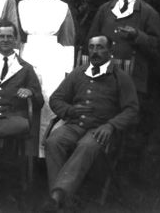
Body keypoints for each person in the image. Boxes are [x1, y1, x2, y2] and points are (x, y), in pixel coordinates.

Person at [42, 35, 138, 212]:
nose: (95, 51)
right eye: (92, 47)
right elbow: (56, 98)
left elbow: (131, 109)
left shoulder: (120, 77)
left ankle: (56, 198)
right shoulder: (79, 72)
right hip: (75, 124)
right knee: (53, 141)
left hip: (100, 129)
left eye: (100, 47)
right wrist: (70, 111)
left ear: (110, 51)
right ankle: (62, 201)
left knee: (86, 146)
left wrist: (111, 126)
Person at [0, 20, 43, 194]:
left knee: (13, 129)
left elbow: (39, 100)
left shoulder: (26, 68)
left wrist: (30, 92)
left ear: (16, 40)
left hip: (13, 114)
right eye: (1, 36)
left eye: (9, 36)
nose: (5, 40)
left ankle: (9, 176)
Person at [18, 0, 75, 157]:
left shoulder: (61, 6)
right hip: (29, 53)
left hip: (53, 55)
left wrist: (68, 69)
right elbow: (18, 35)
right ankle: (25, 152)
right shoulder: (22, 5)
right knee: (26, 100)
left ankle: (47, 151)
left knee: (51, 100)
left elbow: (67, 39)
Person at [87, 0, 160, 98]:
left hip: (132, 82)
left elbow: (157, 48)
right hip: (103, 80)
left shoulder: (149, 13)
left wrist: (137, 35)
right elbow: (91, 41)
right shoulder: (104, 10)